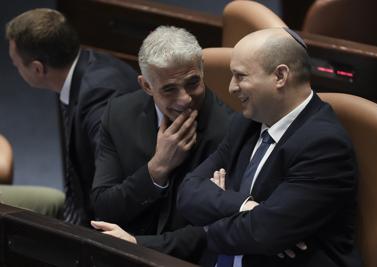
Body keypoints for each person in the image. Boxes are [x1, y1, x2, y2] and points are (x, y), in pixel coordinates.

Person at [177, 28, 362, 267]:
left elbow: (261, 234)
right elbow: (189, 192)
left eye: (240, 76)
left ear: (280, 76)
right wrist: (244, 206)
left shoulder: (325, 146)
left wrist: (214, 215)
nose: (232, 87)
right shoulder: (246, 123)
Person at [90, 26, 231, 264]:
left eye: (193, 83)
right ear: (146, 86)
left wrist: (139, 245)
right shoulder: (119, 114)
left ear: (202, 71)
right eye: (169, 89)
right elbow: (104, 207)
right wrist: (156, 169)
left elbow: (214, 228)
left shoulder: (230, 130)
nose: (185, 98)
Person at [3, 8, 139, 224]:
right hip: (81, 204)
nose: (15, 67)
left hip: (108, 228)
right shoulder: (87, 66)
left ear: (38, 69)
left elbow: (116, 189)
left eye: (16, 64)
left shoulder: (100, 101)